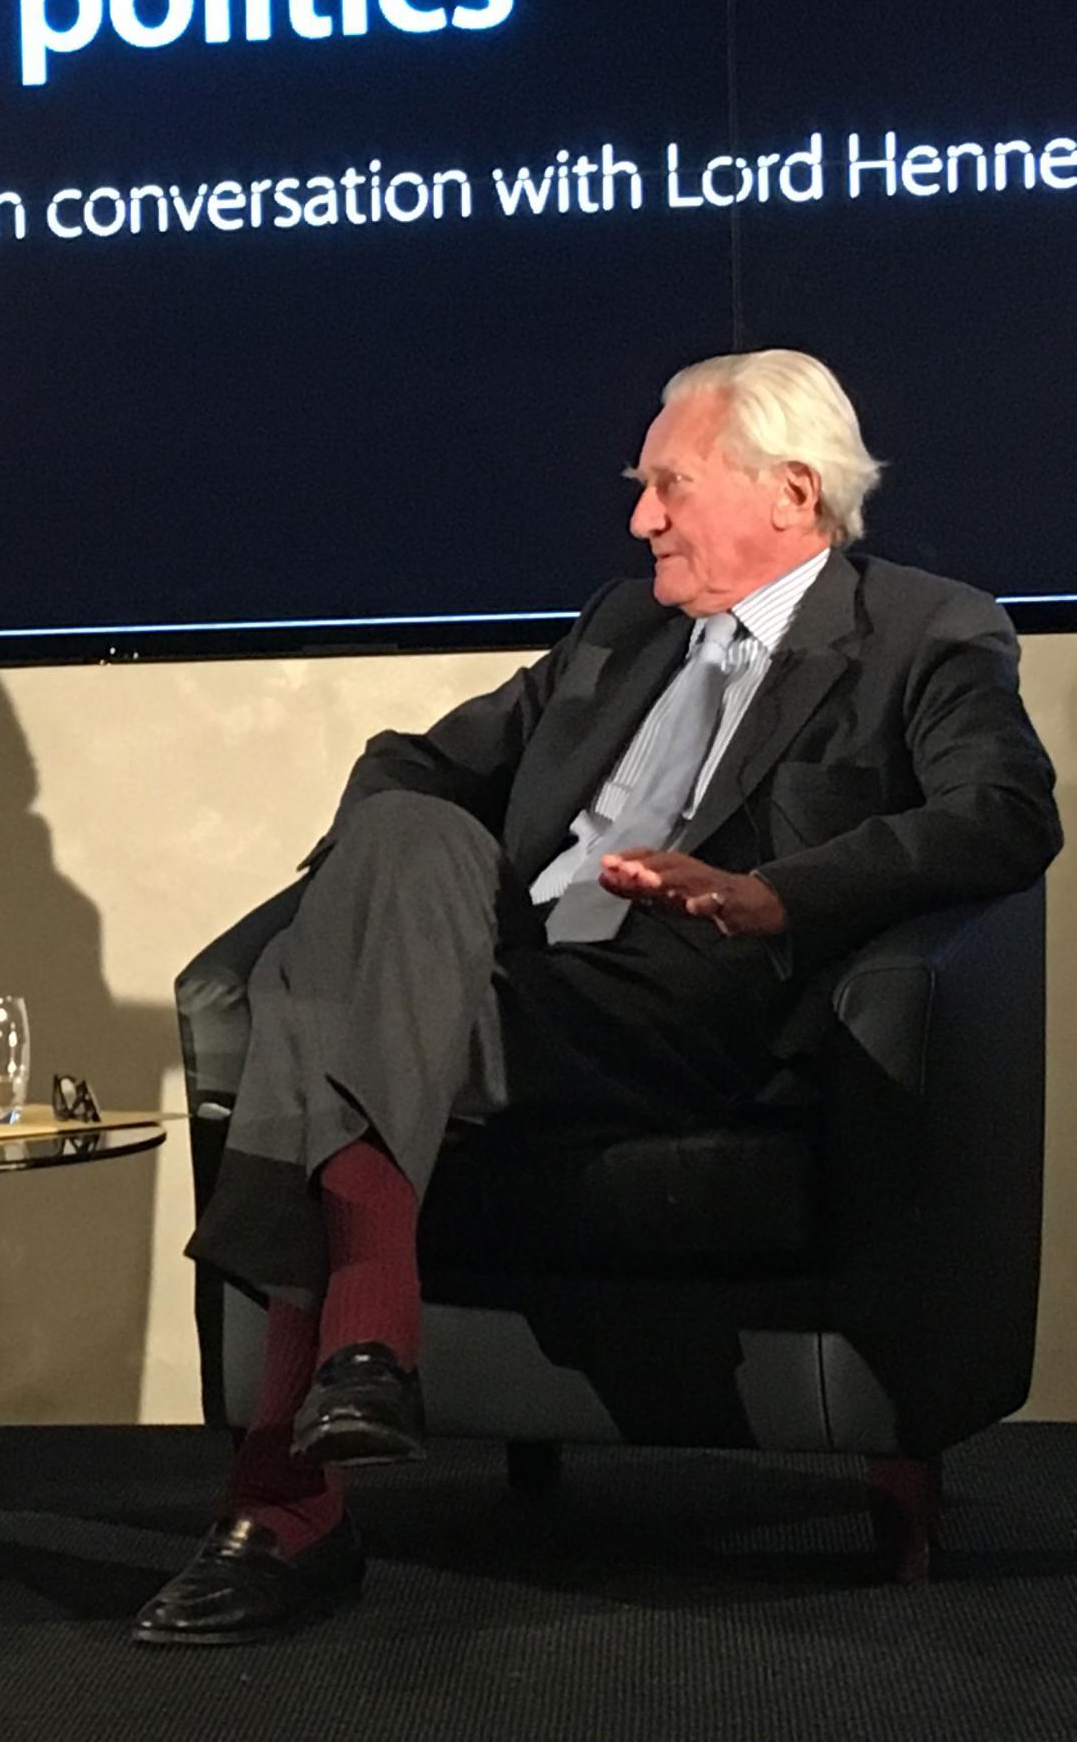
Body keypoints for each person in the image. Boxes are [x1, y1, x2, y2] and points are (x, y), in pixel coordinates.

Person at [136, 349, 1062, 1646]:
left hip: (700, 1009)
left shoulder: (926, 630)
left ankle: (289, 1497)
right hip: (505, 991)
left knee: (317, 996)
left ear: (791, 491)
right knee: (398, 838)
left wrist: (781, 893)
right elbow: (411, 762)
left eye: (669, 486)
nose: (641, 519)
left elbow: (1006, 816)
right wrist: (384, 901)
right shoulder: (619, 629)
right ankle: (357, 1366)